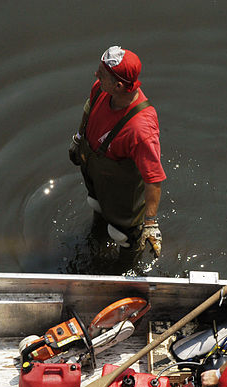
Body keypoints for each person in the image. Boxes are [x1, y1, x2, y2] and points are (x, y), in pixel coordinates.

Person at [68, 45, 166, 258]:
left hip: (122, 189)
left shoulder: (141, 128)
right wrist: (78, 139)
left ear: (119, 85)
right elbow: (88, 108)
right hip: (97, 172)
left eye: (101, 74)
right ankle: (98, 234)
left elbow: (153, 179)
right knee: (95, 205)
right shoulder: (101, 89)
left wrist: (150, 223)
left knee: (122, 235)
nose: (96, 75)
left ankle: (126, 265)